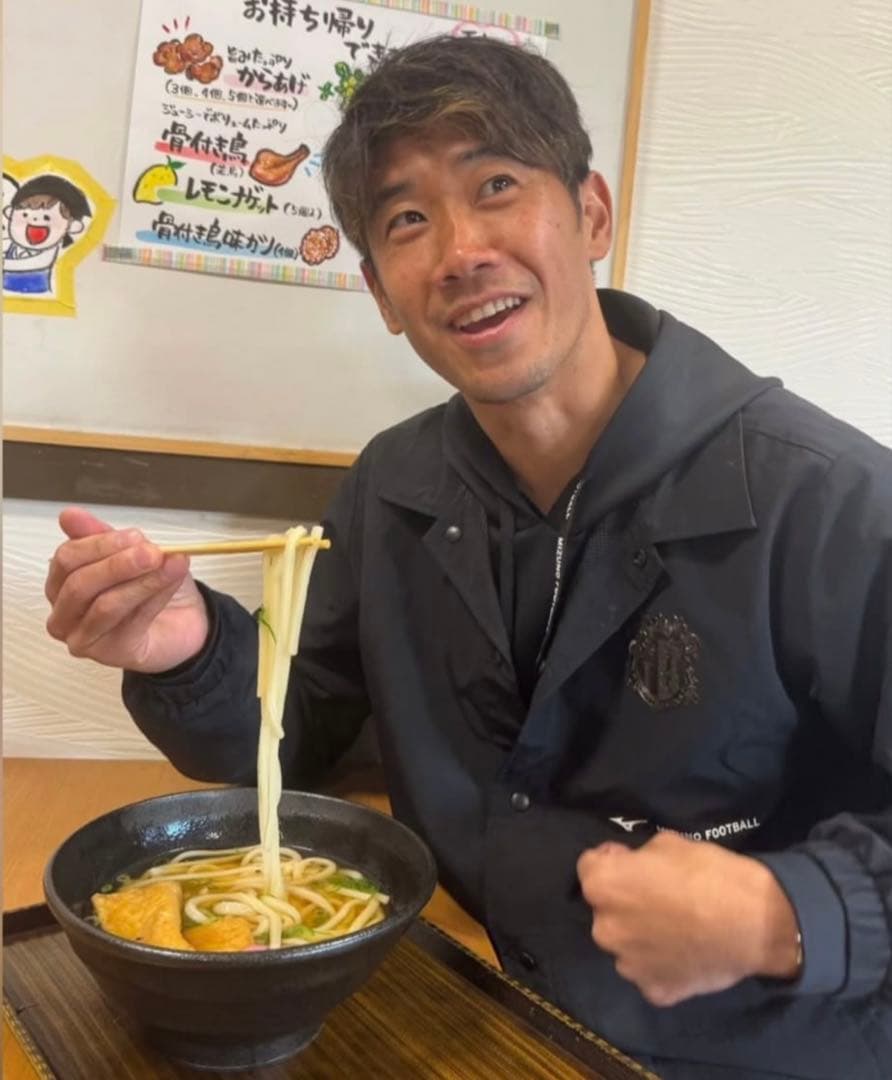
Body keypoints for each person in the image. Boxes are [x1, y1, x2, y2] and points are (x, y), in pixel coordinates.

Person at [44, 35, 891, 1080]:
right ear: (382, 295)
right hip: (476, 1006)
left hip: (763, 1049)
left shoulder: (830, 498)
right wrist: (186, 652)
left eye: (496, 186)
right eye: (407, 220)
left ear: (591, 215)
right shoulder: (394, 484)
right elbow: (294, 733)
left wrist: (790, 914)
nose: (458, 252)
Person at [3, 174, 91, 295]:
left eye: (47, 217)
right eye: (25, 215)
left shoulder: (49, 253)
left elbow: (26, 264)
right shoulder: (10, 246)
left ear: (72, 226)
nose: (34, 220)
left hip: (35, 293)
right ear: (9, 214)